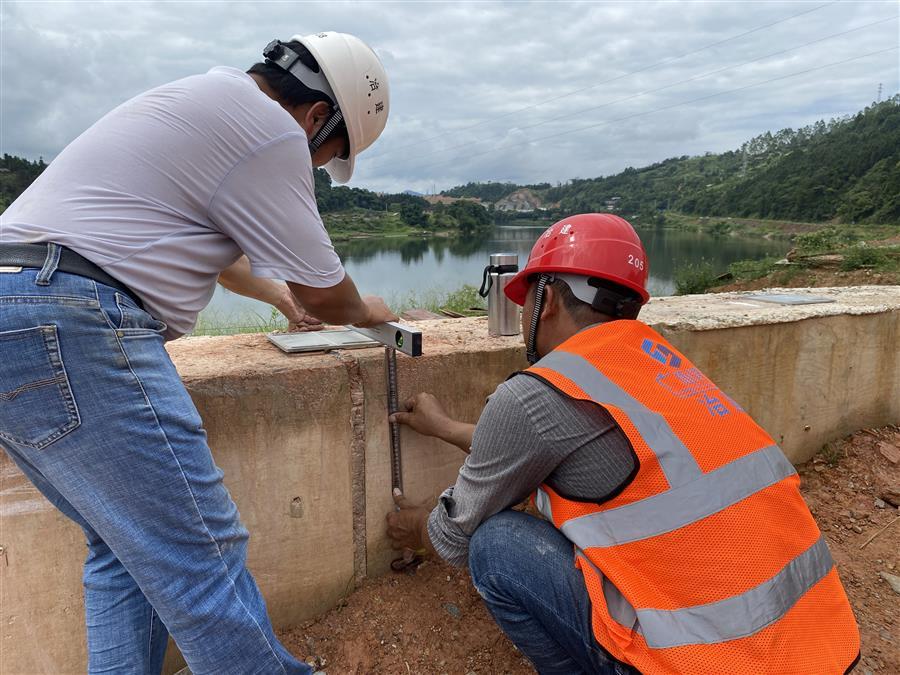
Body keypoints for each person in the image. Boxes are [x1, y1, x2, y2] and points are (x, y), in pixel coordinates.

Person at [0, 32, 394, 674]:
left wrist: (280, 302)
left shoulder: (208, 102)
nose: (315, 171)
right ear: (317, 117)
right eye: (326, 159)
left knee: (125, 549)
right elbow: (328, 296)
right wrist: (369, 310)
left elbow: (231, 260)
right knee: (199, 555)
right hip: (70, 315)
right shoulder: (271, 131)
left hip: (16, 308)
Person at [386, 213, 860, 674]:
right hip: (821, 641)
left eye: (526, 297)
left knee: (495, 545)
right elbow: (533, 446)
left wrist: (413, 528)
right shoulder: (661, 366)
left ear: (547, 298)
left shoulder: (536, 391)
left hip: (702, 659)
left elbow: (453, 537)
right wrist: (445, 427)